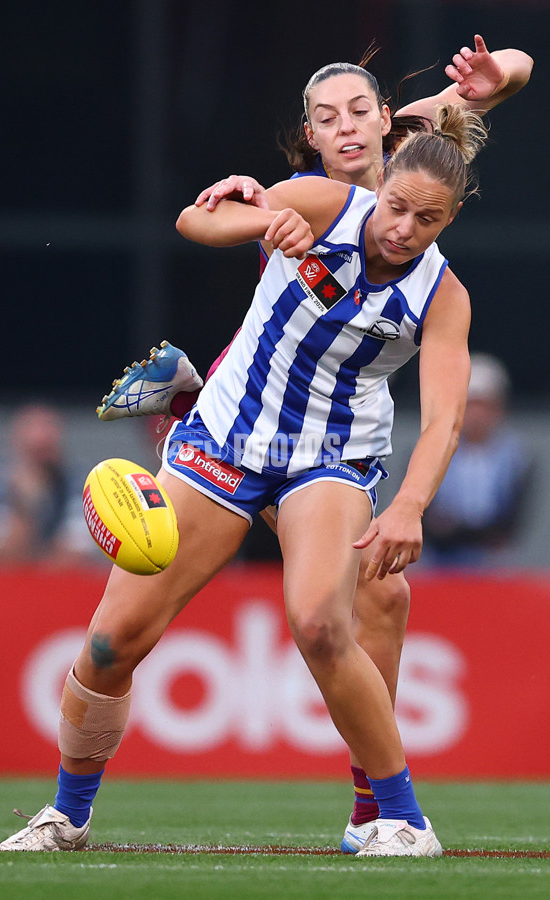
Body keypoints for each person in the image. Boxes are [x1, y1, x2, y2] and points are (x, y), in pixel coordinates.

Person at [0, 102, 486, 857]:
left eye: (427, 220)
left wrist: (411, 506)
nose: (402, 229)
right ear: (380, 189)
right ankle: (65, 816)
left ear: (448, 221)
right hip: (225, 441)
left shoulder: (442, 297)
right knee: (109, 642)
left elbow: (446, 418)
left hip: (328, 458)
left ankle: (402, 820)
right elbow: (197, 226)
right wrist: (258, 220)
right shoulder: (329, 201)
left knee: (322, 622)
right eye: (396, 207)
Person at [93, 35, 533, 854]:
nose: (351, 129)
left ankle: (381, 812)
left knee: (378, 601)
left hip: (334, 443)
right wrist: (255, 211)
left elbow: (514, 69)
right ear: (312, 136)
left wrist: (491, 77)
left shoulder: (413, 160)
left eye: (362, 112)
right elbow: (202, 220)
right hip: (247, 421)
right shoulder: (313, 199)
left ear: (384, 122)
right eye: (329, 120)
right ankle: (191, 400)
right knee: (125, 634)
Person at [422, 352, 532, 567]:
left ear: (499, 408)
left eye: (485, 405)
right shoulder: (432, 449)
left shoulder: (517, 457)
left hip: (493, 560)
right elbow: (425, 512)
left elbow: (513, 517)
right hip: (438, 558)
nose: (477, 414)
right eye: (471, 405)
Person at [0, 404, 97, 566]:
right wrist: (25, 503)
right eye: (33, 448)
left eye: (46, 445)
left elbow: (76, 555)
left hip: (65, 584)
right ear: (15, 440)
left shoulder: (81, 479)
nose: (40, 439)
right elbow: (2, 557)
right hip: (6, 583)